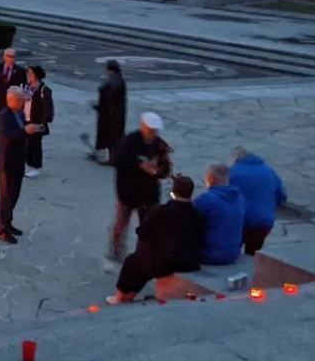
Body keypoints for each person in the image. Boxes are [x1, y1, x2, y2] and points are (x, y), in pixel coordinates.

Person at [107, 174, 205, 305]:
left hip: (166, 262)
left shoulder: (161, 211)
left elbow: (142, 231)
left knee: (133, 263)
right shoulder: (198, 215)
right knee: (143, 262)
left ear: (173, 192)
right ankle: (129, 294)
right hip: (188, 261)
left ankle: (120, 297)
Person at [105, 112, 173, 270]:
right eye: (150, 130)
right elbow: (119, 161)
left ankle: (143, 256)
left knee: (148, 226)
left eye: (154, 131)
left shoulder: (160, 145)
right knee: (121, 224)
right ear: (143, 127)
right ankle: (115, 253)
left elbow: (166, 169)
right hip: (127, 192)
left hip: (149, 194)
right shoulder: (129, 142)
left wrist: (158, 171)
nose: (152, 134)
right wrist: (140, 166)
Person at [228, 148, 288, 255]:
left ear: (236, 159)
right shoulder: (269, 171)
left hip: (240, 221)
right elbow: (282, 195)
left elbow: (224, 194)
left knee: (233, 253)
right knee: (253, 254)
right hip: (264, 221)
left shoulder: (233, 172)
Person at [194, 163, 245, 266]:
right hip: (233, 252)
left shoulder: (206, 199)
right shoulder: (239, 198)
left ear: (210, 179)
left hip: (210, 254)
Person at [0, 86, 28, 244]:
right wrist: (26, 132)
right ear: (12, 100)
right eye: (21, 100)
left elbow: (23, 131)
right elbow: (7, 136)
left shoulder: (20, 114)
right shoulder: (4, 116)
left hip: (19, 159)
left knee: (14, 194)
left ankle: (8, 223)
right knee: (6, 197)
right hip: (7, 161)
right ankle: (2, 228)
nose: (23, 102)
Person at [90, 60, 127, 165]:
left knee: (112, 137)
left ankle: (113, 159)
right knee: (115, 136)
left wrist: (100, 107)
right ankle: (113, 157)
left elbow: (108, 98)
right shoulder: (119, 80)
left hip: (111, 114)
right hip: (117, 113)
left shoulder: (113, 82)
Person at [23, 64, 53, 178]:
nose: (29, 75)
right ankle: (27, 163)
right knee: (26, 143)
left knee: (35, 144)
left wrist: (43, 123)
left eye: (31, 73)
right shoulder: (27, 87)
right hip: (26, 118)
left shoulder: (43, 90)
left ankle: (35, 165)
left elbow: (47, 108)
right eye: (28, 73)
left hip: (36, 121)